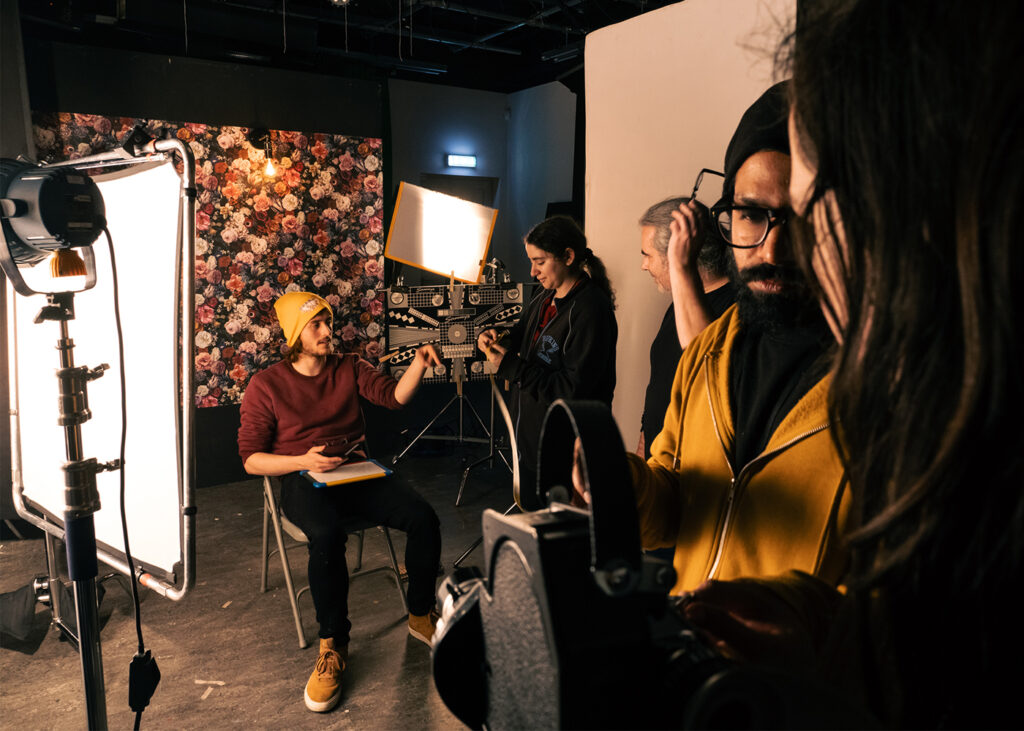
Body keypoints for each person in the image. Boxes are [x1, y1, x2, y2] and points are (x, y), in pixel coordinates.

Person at [600, 81, 849, 595]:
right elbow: (671, 511)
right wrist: (618, 484)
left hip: (794, 676)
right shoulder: (710, 353)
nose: (772, 247)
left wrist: (790, 628)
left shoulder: (891, 386)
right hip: (694, 662)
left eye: (801, 218)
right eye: (751, 214)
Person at [237, 291, 443, 714]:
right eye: (316, 325)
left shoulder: (348, 367)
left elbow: (394, 397)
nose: (328, 331)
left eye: (327, 322)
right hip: (302, 478)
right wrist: (302, 460)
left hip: (356, 471)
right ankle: (333, 644)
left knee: (424, 517)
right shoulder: (267, 385)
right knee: (327, 537)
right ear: (296, 332)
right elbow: (250, 459)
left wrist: (419, 365)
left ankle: (421, 613)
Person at [478, 215, 617, 511]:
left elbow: (570, 389)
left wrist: (511, 367)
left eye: (540, 261)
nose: (533, 271)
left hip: (565, 448)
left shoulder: (591, 310)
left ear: (568, 256)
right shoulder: (545, 294)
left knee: (562, 534)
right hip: (533, 440)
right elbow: (525, 332)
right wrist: (500, 337)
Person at [637, 195, 735, 460]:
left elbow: (708, 367)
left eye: (648, 255)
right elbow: (660, 380)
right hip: (659, 465)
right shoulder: (676, 303)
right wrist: (645, 441)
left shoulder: (736, 307)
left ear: (680, 252)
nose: (643, 265)